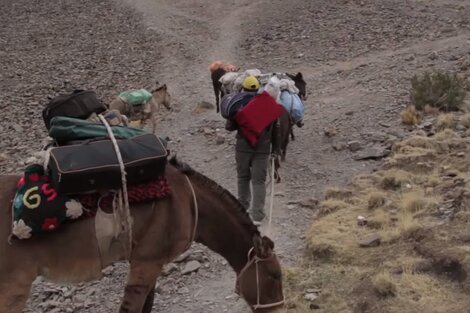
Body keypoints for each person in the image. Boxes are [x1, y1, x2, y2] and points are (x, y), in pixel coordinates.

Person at [225, 75, 282, 225]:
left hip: (243, 148)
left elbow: (229, 127)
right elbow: (276, 131)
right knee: (259, 182)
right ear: (258, 89)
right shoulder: (268, 105)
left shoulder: (239, 104)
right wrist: (275, 150)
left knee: (243, 178)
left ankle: (243, 210)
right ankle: (257, 216)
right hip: (262, 150)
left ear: (243, 88)